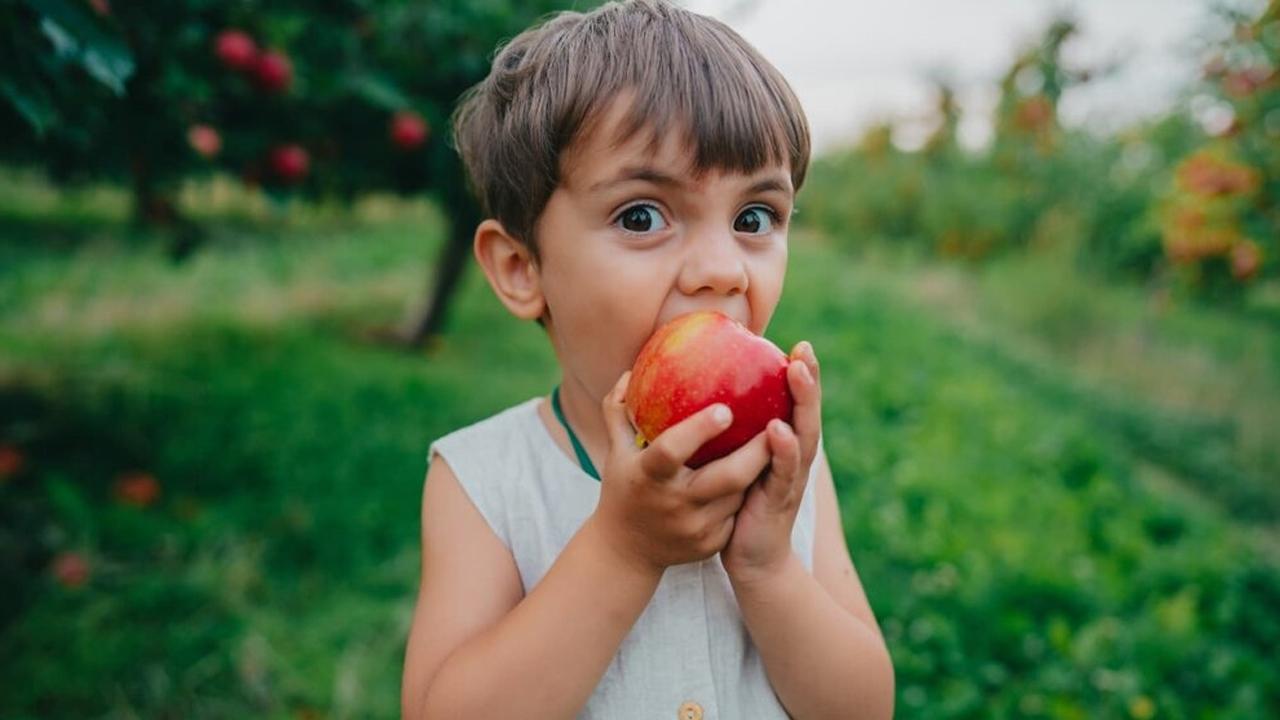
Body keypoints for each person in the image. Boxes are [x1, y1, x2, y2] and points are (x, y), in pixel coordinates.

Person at [401, 1, 894, 717]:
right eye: (642, 216)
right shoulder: (485, 483)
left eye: (755, 218)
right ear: (520, 268)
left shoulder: (789, 469)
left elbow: (861, 708)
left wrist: (767, 565)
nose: (722, 269)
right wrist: (623, 550)